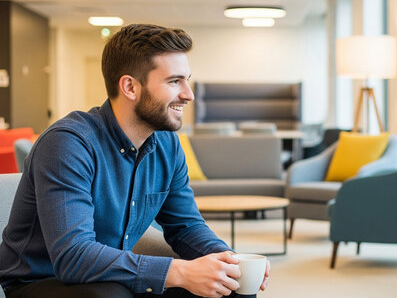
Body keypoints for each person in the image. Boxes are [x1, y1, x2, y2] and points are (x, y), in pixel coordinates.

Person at [0, 24, 270, 298]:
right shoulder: (68, 144)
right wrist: (177, 272)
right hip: (39, 282)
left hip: (112, 277)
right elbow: (73, 256)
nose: (188, 94)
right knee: (111, 295)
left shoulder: (167, 144)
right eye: (174, 81)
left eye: (186, 80)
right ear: (130, 86)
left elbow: (186, 226)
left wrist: (230, 262)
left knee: (230, 289)